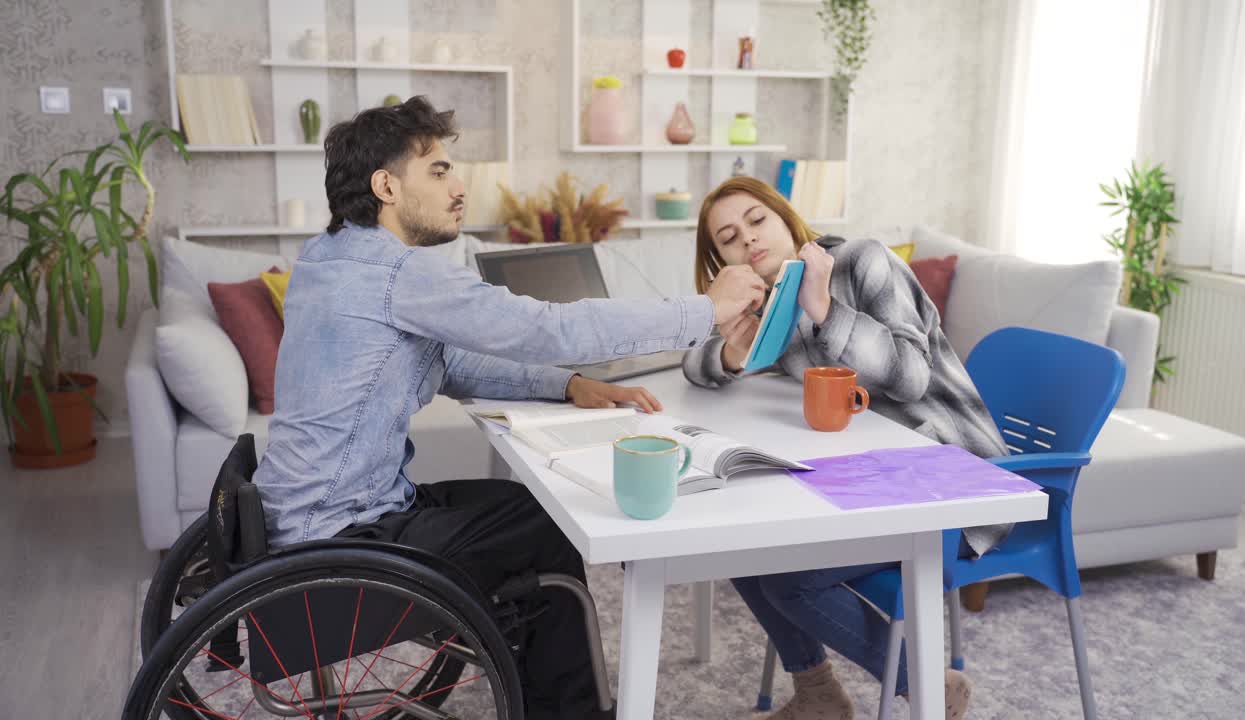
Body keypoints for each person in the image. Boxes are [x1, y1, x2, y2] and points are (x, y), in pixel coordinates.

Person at [251, 96, 767, 720]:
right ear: (386, 185)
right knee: (551, 526)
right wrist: (702, 311)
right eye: (438, 171)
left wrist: (567, 385)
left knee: (531, 509)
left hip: (310, 515)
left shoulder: (329, 256)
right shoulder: (397, 273)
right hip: (340, 539)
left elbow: (447, 361)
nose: (459, 186)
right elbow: (545, 327)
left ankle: (539, 689)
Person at [682, 177, 1009, 720]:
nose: (749, 240)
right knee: (738, 546)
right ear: (721, 260)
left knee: (791, 579)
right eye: (729, 237)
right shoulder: (771, 302)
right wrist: (732, 353)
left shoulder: (863, 261)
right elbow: (695, 364)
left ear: (786, 218)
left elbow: (911, 377)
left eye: (758, 221)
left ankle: (925, 684)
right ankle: (819, 695)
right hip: (865, 475)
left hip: (947, 478)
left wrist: (827, 309)